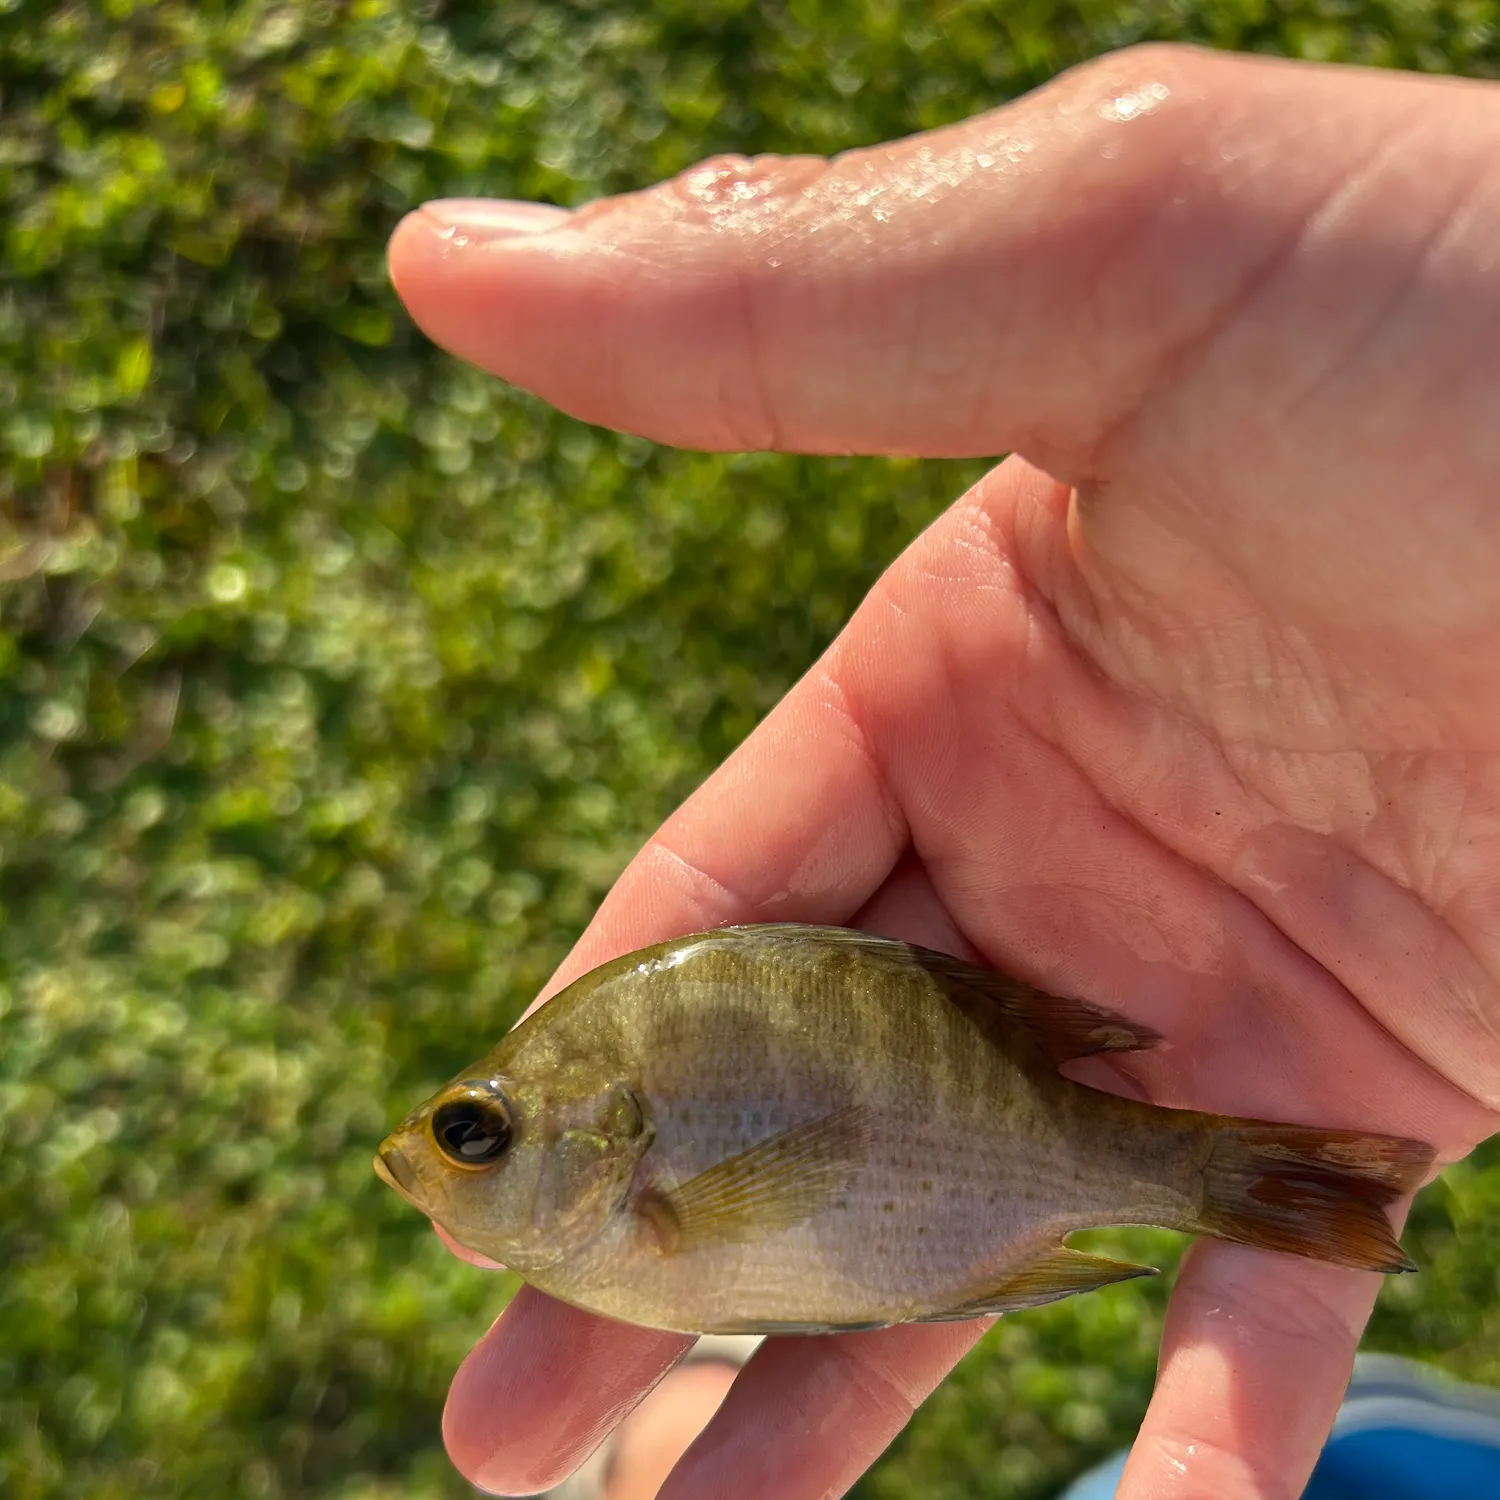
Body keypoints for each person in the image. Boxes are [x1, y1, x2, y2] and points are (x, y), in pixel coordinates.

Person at [385, 42, 1500, 1500]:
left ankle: (642, 1448)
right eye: (473, 1136)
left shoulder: (628, 1159)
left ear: (607, 1133)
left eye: (481, 1134)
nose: (443, 1153)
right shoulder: (630, 1185)